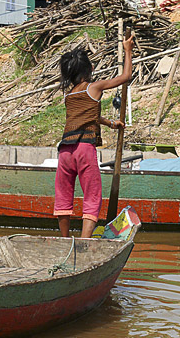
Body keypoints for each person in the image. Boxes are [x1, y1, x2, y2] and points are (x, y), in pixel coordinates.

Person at [53, 34, 134, 238]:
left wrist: (110, 123)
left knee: (64, 196)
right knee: (92, 196)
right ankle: (83, 242)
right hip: (84, 149)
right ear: (88, 71)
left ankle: (64, 240)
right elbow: (125, 77)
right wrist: (128, 50)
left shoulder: (69, 95)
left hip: (65, 151)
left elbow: (89, 116)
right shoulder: (93, 87)